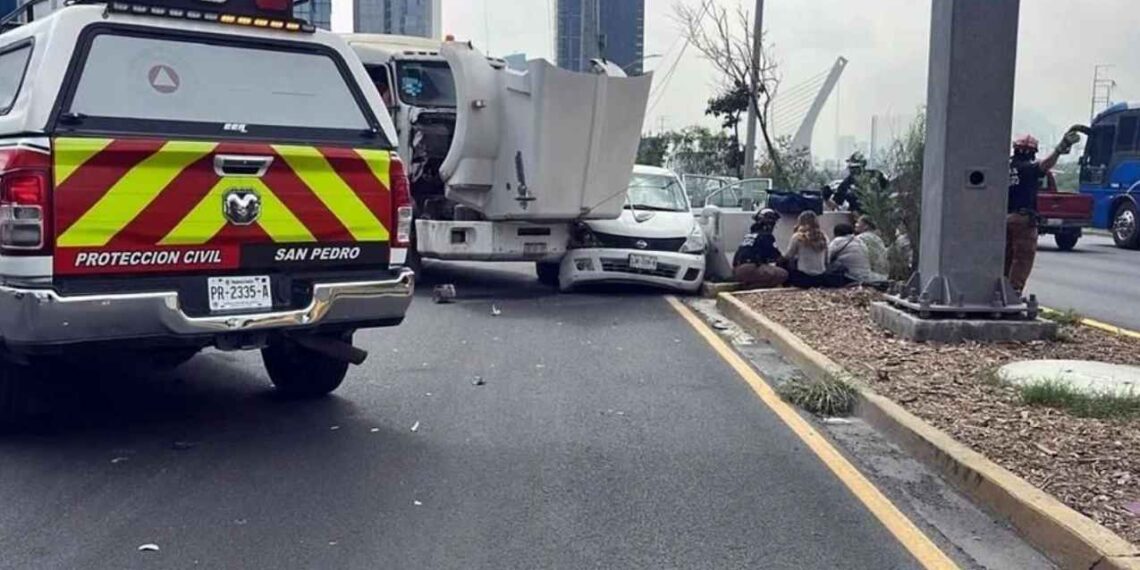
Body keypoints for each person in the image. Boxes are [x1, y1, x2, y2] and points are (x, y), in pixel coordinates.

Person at [1006, 131, 1080, 292]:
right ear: (1033, 152)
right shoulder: (1029, 168)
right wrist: (1059, 150)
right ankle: (1013, 292)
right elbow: (1045, 165)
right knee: (1023, 257)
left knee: (1006, 256)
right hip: (1023, 218)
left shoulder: (1004, 167)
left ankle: (1000, 289)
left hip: (1003, 218)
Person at [733, 209, 788, 289]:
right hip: (750, 269)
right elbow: (778, 258)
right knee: (783, 274)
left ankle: (748, 284)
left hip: (736, 270)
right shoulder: (766, 236)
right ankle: (752, 287)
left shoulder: (750, 235)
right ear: (769, 224)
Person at [783, 211, 830, 288]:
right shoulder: (824, 237)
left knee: (784, 263)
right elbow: (827, 259)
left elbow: (788, 256)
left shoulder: (798, 237)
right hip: (821, 278)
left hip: (803, 279)